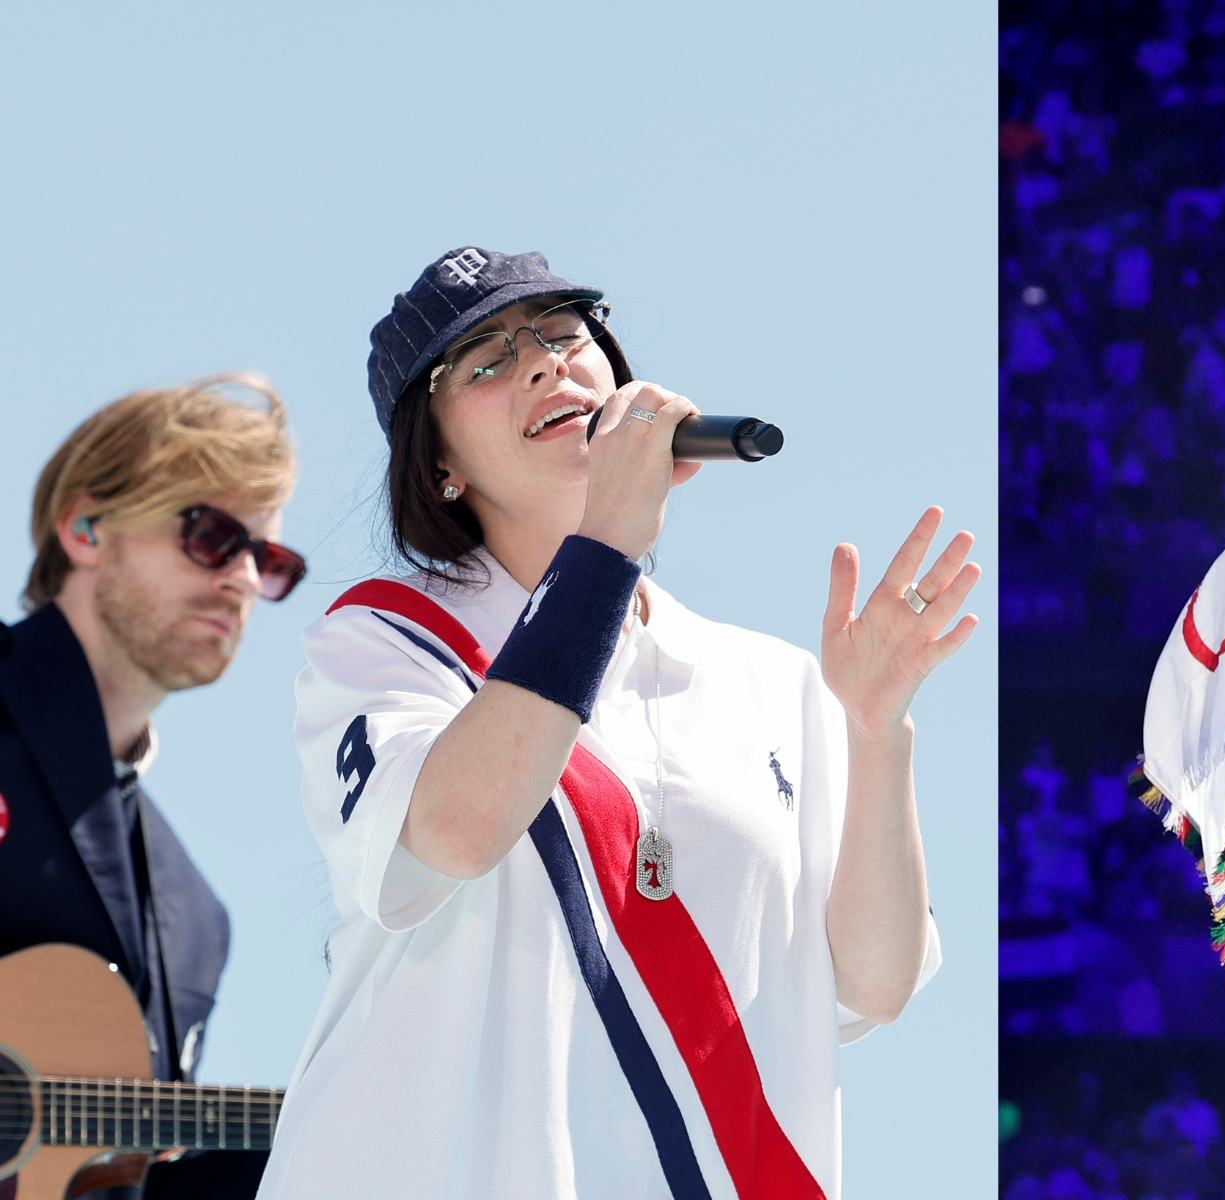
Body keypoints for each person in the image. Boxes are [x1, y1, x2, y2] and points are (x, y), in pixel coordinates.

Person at [259, 248, 977, 1200]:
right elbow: (458, 828)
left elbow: (875, 984)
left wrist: (878, 732)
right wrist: (607, 541)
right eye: (484, 362)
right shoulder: (387, 640)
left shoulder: (771, 680)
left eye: (563, 332)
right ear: (436, 466)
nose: (545, 364)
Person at [0, 378, 305, 1198]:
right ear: (86, 528)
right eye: (211, 536)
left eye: (268, 559)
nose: (243, 578)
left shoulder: (197, 920)